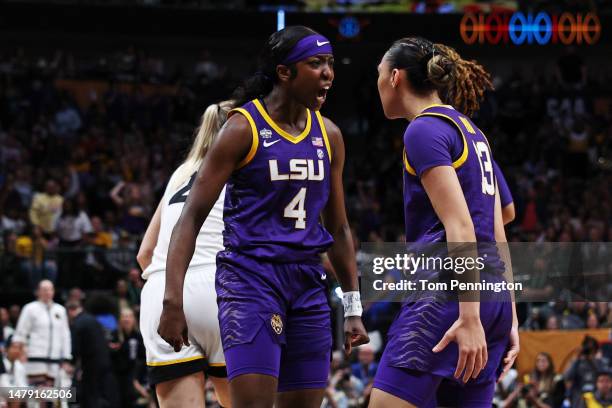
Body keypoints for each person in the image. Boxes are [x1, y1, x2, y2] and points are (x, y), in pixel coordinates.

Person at [158, 25, 368, 408]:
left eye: (331, 64)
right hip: (251, 280)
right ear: (284, 72)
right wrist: (172, 300)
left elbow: (337, 227)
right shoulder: (242, 128)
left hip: (307, 283)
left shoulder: (330, 135)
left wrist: (353, 307)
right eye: (316, 63)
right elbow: (191, 217)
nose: (328, 73)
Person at [370, 37, 520, 407]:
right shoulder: (471, 131)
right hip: (491, 297)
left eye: (377, 74)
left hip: (446, 296)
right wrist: (509, 315)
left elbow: (461, 227)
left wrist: (469, 316)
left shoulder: (422, 130)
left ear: (394, 77)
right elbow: (501, 220)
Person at [138, 101, 233, 408]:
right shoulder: (246, 169)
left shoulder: (181, 173)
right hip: (222, 289)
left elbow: (145, 253)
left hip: (163, 291)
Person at [12, 279, 72, 387]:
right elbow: (20, 333)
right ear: (38, 292)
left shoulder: (60, 310)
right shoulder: (30, 308)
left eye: (50, 289)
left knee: (52, 396)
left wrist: (66, 357)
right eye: (44, 290)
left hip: (55, 359)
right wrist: (21, 351)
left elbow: (65, 335)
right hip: (35, 357)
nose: (47, 292)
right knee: (37, 394)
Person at [67, 300, 119, 408]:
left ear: (71, 311)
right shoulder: (92, 319)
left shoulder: (78, 323)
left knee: (90, 395)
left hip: (91, 364)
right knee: (100, 394)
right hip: (105, 362)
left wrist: (71, 363)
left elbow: (75, 348)